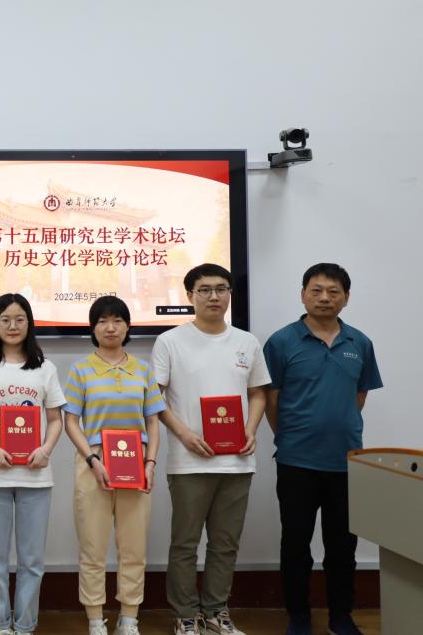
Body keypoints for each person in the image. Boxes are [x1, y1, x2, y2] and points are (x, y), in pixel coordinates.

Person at [151, 264, 270, 635]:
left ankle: (217, 612)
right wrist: (184, 434)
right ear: (190, 296)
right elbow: (154, 397)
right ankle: (186, 615)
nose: (214, 296)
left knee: (225, 543)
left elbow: (258, 393)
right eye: (204, 290)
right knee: (185, 544)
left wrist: (250, 429)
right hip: (189, 461)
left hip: (237, 461)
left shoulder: (246, 342)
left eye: (221, 289)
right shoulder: (170, 341)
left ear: (230, 294)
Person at [263, 263, 382, 635]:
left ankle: (340, 616)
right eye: (316, 290)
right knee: (295, 544)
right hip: (296, 461)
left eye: (333, 291)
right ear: (303, 294)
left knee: (342, 547)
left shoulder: (360, 343)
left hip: (346, 462)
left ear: (346, 298)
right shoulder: (281, 342)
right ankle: (298, 616)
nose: (325, 298)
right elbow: (271, 400)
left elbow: (359, 396)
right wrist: (292, 436)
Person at [0, 294, 65, 635]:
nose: (13, 325)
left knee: (32, 561)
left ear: (29, 323)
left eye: (20, 319)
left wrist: (45, 450)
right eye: (5, 319)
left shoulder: (45, 368)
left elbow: (56, 420)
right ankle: (0, 624)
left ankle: (24, 625)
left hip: (36, 476)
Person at [63, 296, 165, 635]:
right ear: (93, 328)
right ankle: (95, 619)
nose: (110, 327)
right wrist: (92, 460)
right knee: (92, 547)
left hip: (136, 462)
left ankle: (129, 618)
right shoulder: (81, 370)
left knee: (134, 547)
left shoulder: (143, 370)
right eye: (103, 321)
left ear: (127, 326)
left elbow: (153, 422)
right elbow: (71, 421)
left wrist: (150, 463)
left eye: (118, 320)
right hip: (93, 463)